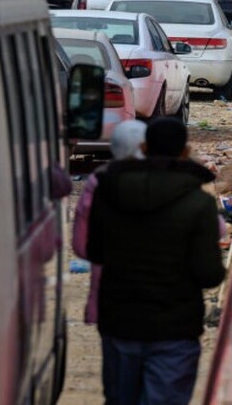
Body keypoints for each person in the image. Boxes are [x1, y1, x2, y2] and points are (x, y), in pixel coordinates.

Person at [87, 117, 226, 405]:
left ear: (145, 147)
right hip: (175, 329)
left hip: (119, 323)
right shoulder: (199, 203)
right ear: (185, 152)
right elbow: (209, 274)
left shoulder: (108, 190)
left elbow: (95, 252)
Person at [73, 120, 147, 325]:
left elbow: (81, 245)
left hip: (110, 300)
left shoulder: (98, 182)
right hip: (163, 306)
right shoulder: (170, 180)